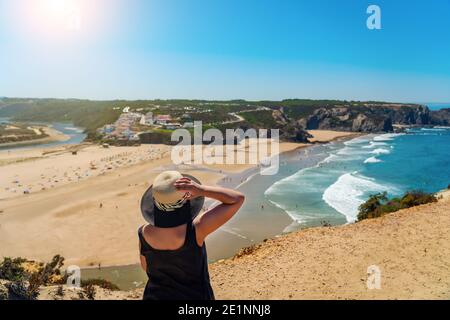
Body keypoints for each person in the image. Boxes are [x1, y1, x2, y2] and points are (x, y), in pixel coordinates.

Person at [138, 171, 245, 300]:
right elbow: (237, 199)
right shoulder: (196, 229)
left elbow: (145, 267)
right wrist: (201, 190)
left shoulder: (143, 233)